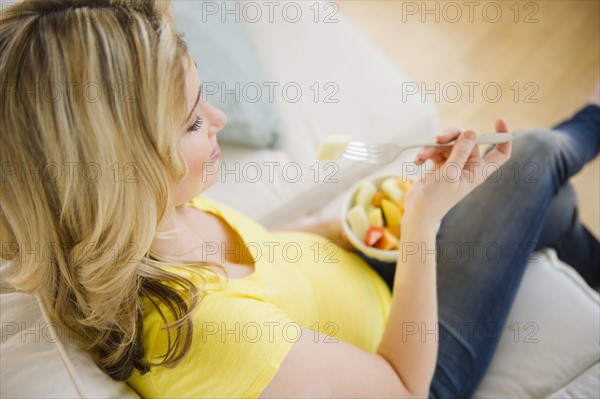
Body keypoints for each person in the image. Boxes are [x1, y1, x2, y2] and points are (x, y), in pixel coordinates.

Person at [0, 1, 598, 398]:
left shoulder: (157, 220)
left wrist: (343, 225)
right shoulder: (215, 333)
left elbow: (274, 257)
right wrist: (422, 221)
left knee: (551, 204)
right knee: (533, 159)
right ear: (116, 177)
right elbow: (400, 387)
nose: (219, 120)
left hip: (370, 288)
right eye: (190, 124)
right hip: (413, 365)